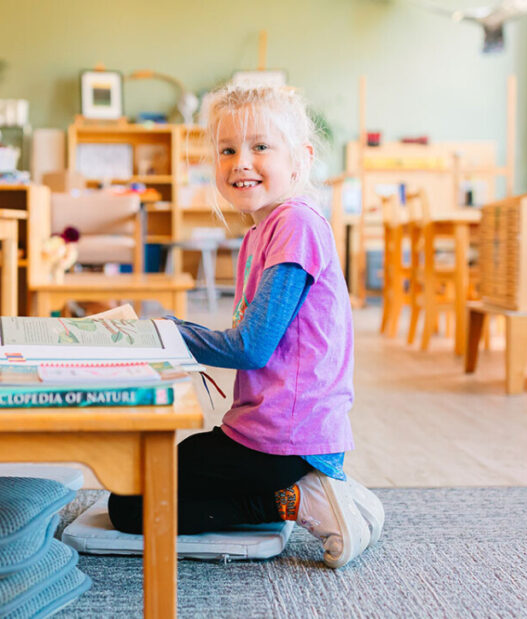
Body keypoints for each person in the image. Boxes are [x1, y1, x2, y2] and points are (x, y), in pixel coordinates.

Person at [107, 84, 384, 569]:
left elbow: (251, 347)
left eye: (260, 147)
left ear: (301, 158)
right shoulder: (267, 230)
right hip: (278, 432)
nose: (241, 162)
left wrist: (166, 334)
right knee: (157, 472)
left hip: (285, 437)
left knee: (129, 505)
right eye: (228, 150)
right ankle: (319, 488)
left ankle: (297, 498)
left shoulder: (295, 225)